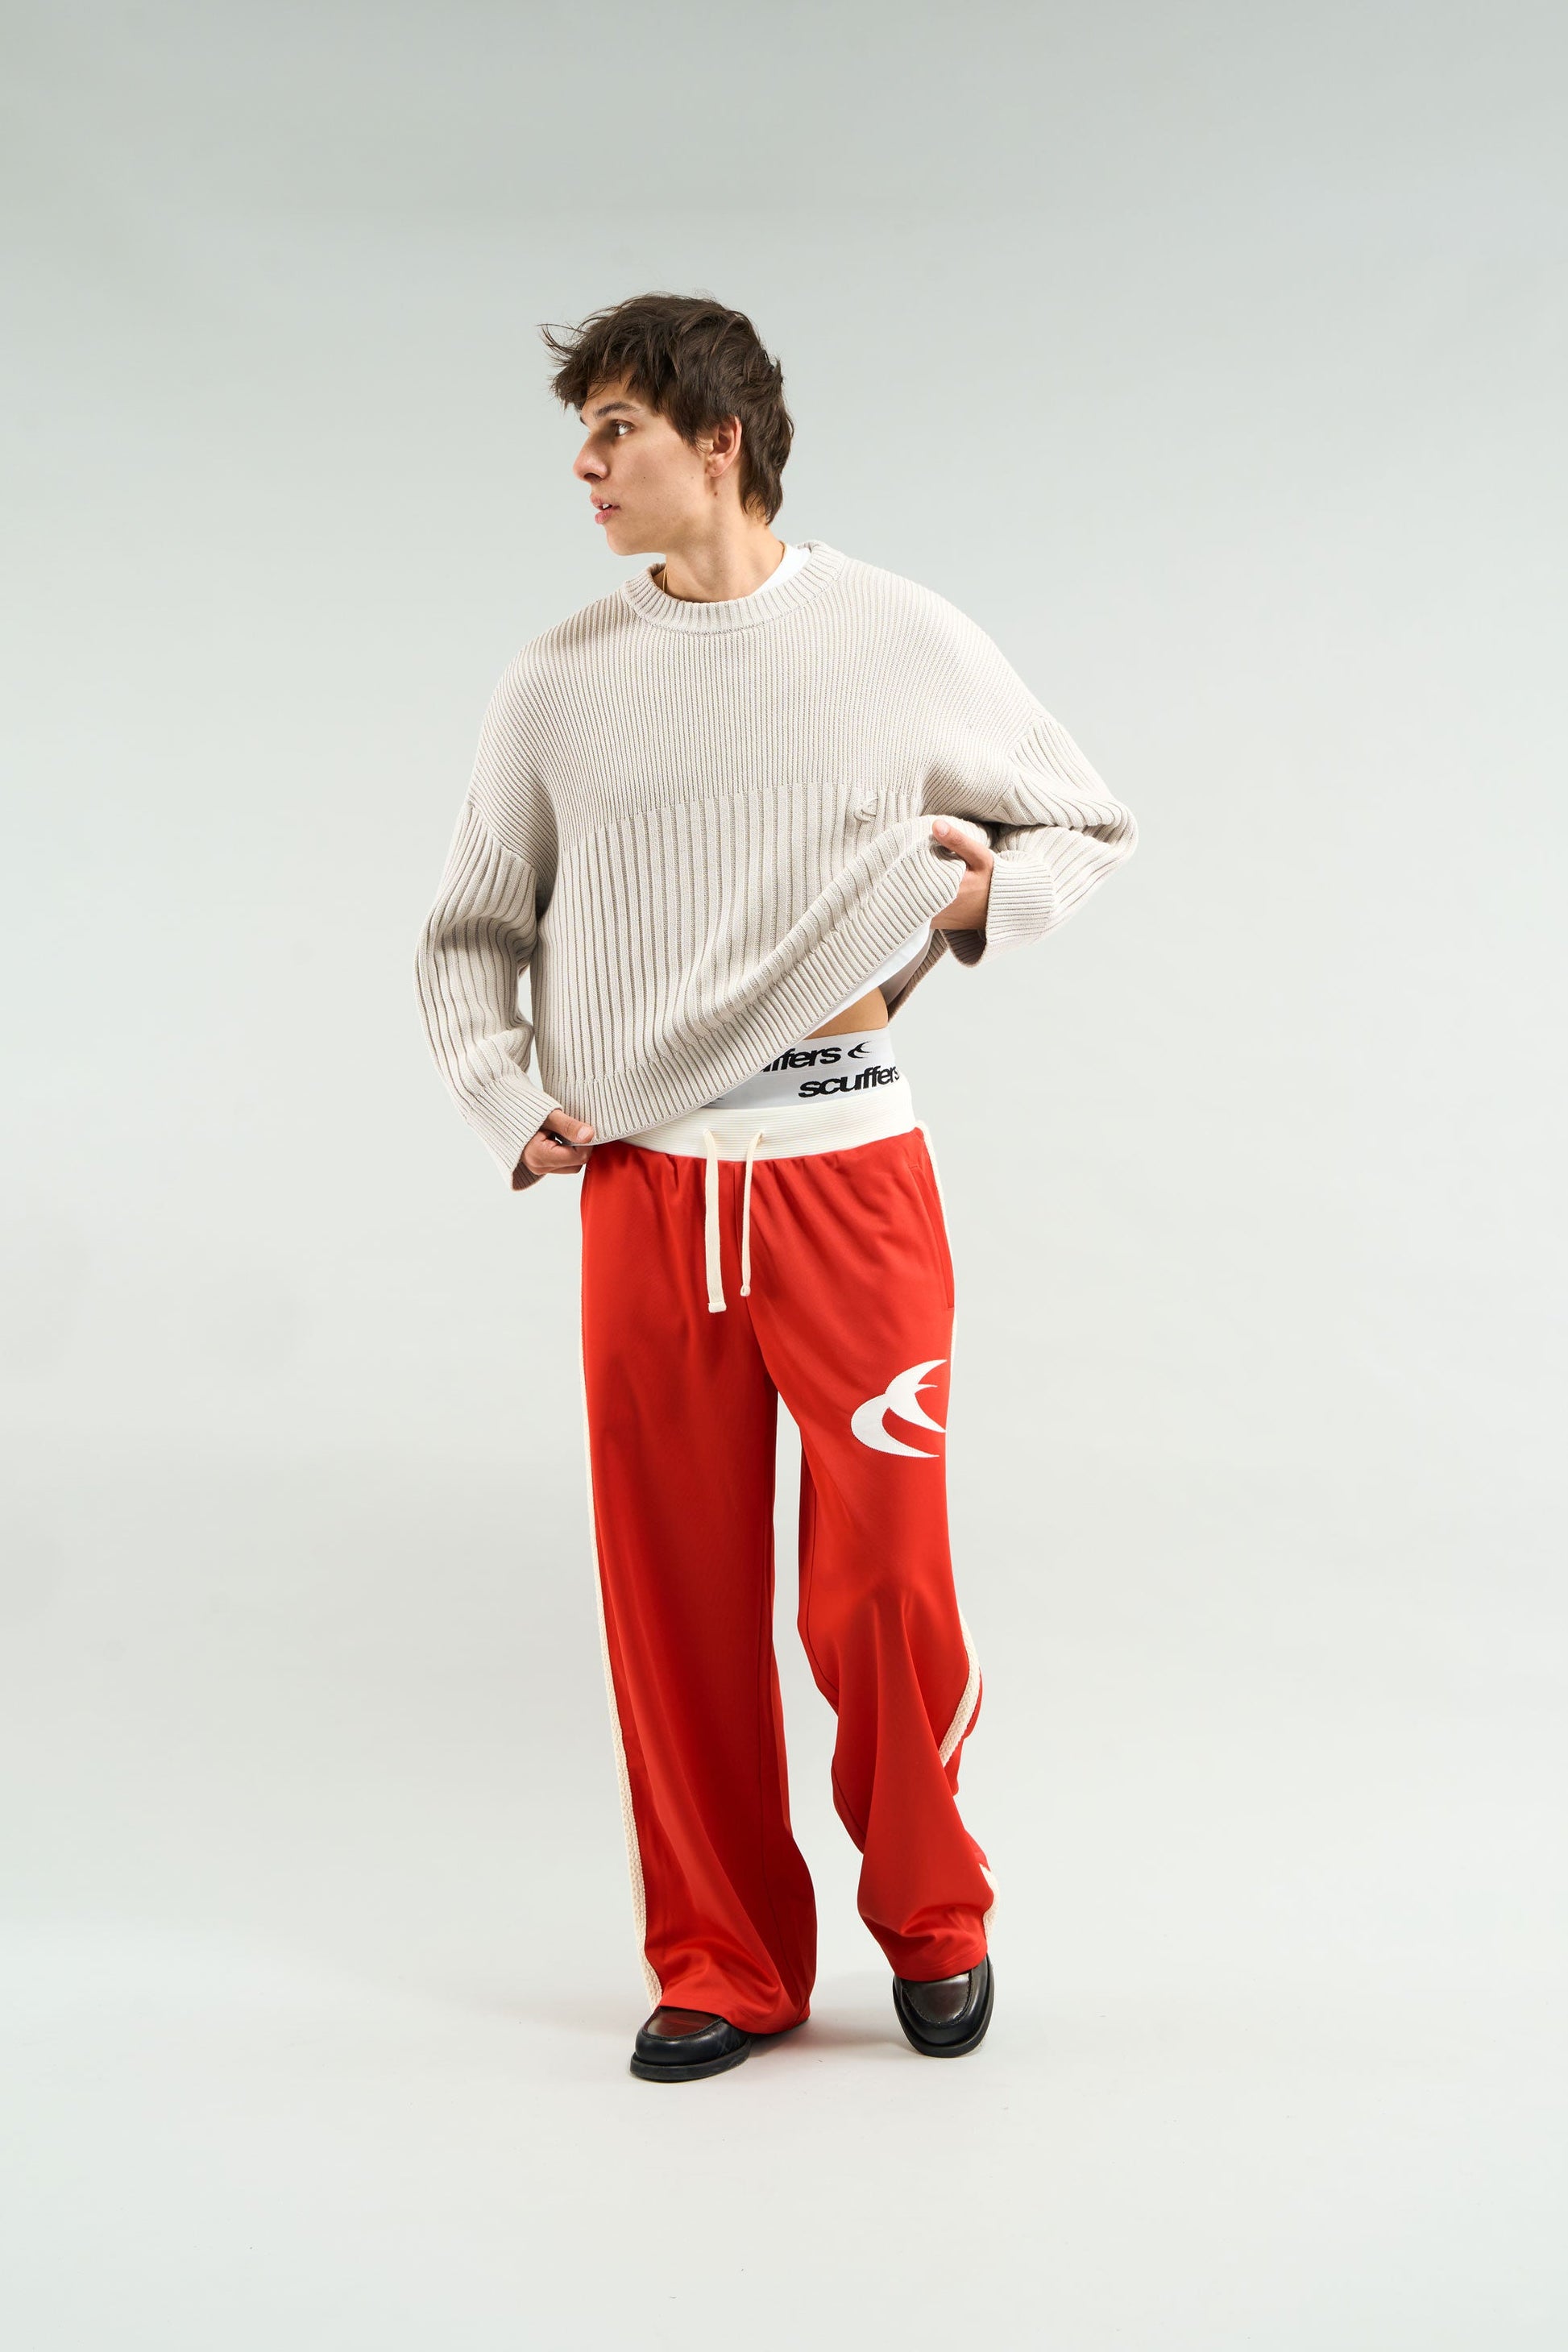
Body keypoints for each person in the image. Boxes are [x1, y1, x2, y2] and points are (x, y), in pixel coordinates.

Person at [414, 292, 1136, 2083]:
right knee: (673, 1600)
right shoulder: (554, 684)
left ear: (717, 438)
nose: (585, 468)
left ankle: (934, 1916)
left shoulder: (895, 636)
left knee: (881, 1585)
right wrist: (507, 1095)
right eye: (580, 436)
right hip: (650, 1191)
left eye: (616, 430)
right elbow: (469, 930)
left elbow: (1081, 819)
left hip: (846, 1175)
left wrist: (972, 897)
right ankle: (725, 1958)